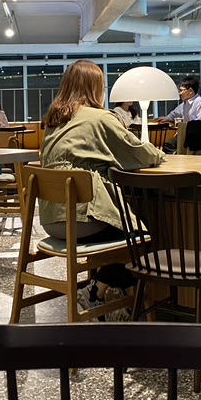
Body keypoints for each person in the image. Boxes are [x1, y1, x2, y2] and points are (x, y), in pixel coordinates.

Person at [40, 60, 164, 314]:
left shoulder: (55, 120)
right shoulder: (100, 117)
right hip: (83, 221)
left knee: (125, 228)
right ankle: (102, 288)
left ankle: (101, 290)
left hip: (51, 220)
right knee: (148, 239)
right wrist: (160, 154)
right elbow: (138, 154)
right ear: (96, 88)